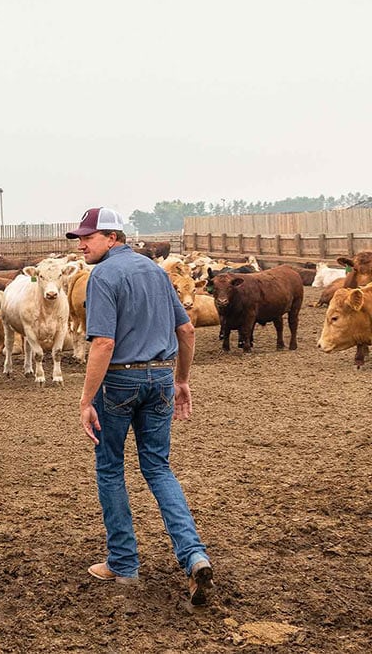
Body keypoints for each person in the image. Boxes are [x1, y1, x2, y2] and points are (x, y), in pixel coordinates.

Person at [66, 207, 214, 605]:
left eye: (88, 238)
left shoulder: (103, 277)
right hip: (161, 377)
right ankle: (194, 554)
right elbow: (186, 329)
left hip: (118, 380)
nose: (81, 245)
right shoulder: (155, 271)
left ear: (112, 238)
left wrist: (85, 399)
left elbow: (103, 343)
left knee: (111, 468)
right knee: (158, 467)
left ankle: (124, 563)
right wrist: (181, 379)